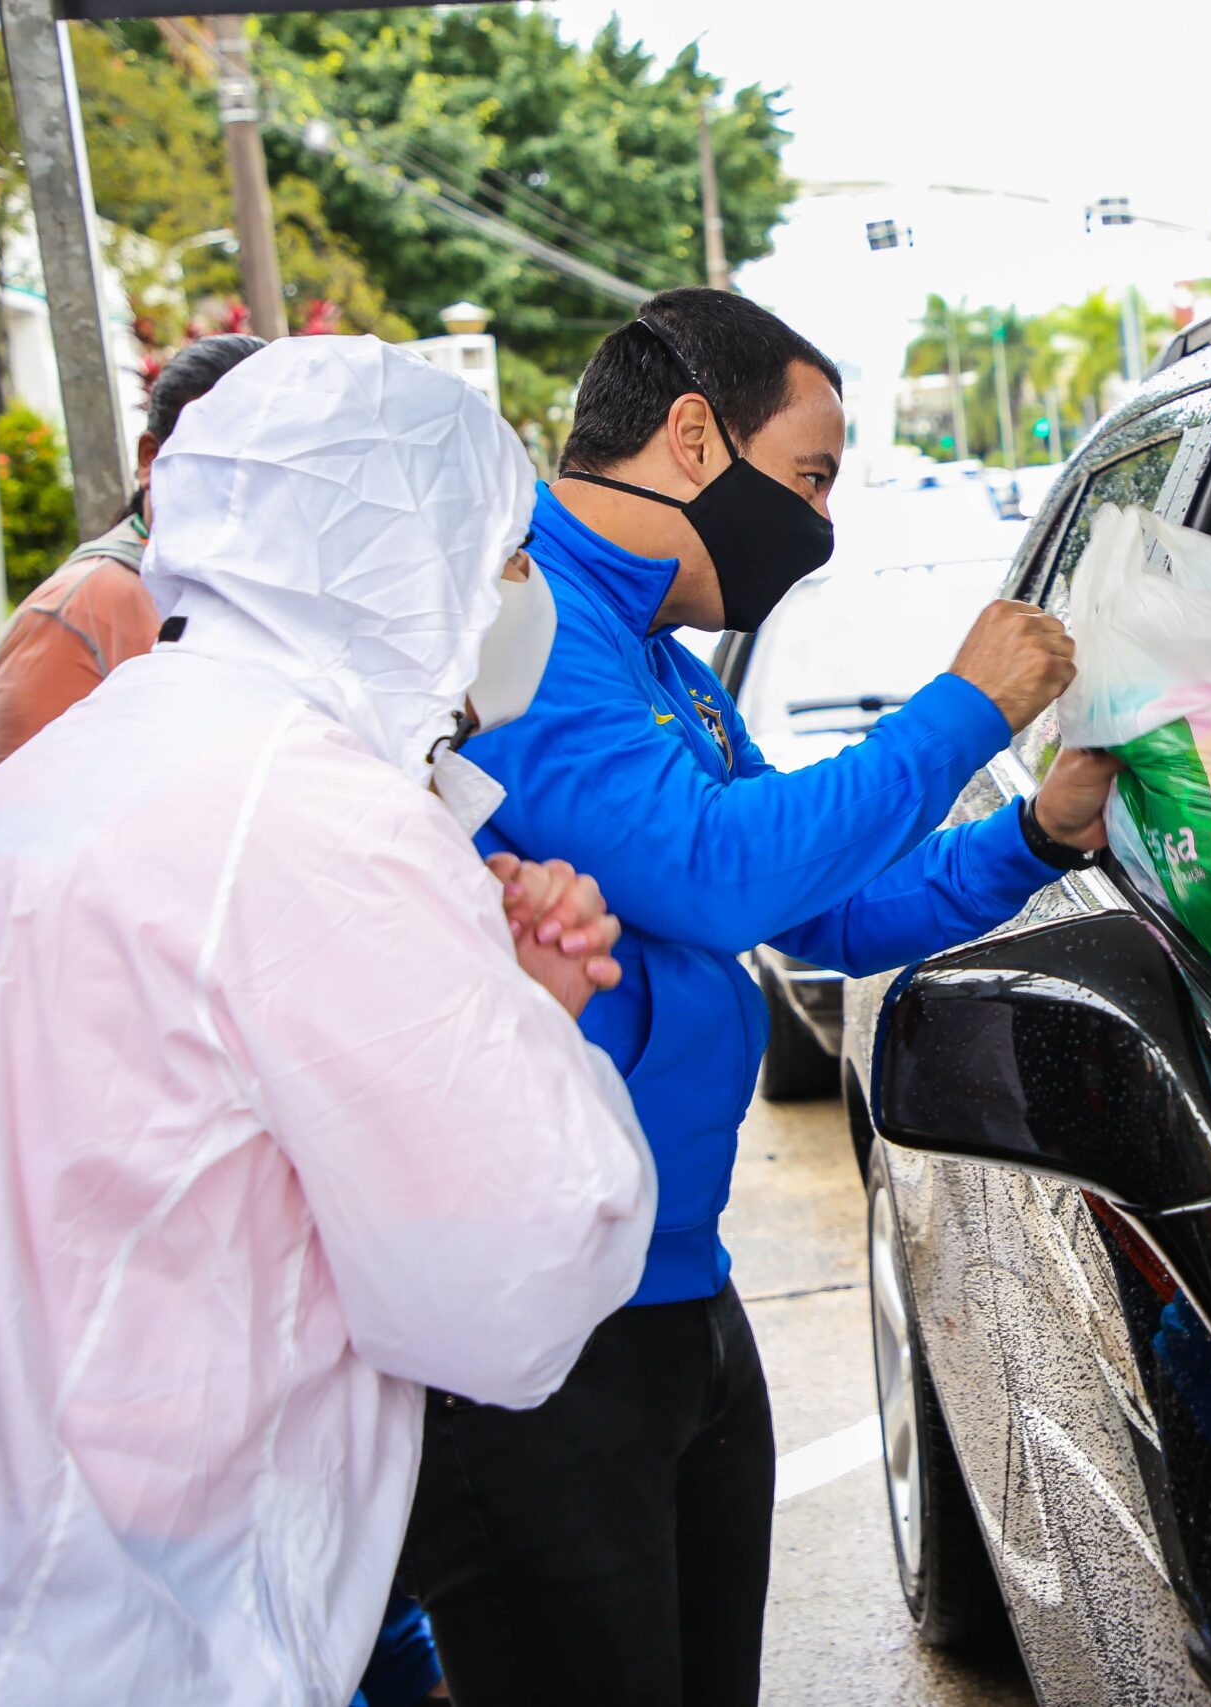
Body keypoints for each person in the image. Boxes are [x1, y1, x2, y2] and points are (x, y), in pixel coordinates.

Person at [0, 336, 657, 1706]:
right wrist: (531, 1027)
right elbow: (515, 1279)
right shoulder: (312, 821)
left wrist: (476, 978)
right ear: (405, 557)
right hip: (96, 1622)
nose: (525, 593)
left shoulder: (116, 758)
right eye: (504, 553)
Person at [401, 288, 1119, 1703]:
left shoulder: (656, 660)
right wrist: (962, 704)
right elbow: (721, 872)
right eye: (808, 477)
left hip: (676, 1285)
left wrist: (1031, 838)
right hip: (548, 1335)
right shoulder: (528, 634)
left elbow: (816, 899)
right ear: (687, 437)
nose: (819, 523)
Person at [0, 332, 266, 767]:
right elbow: (20, 816)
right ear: (150, 459)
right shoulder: (72, 614)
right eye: (221, 460)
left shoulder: (272, 590)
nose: (245, 486)